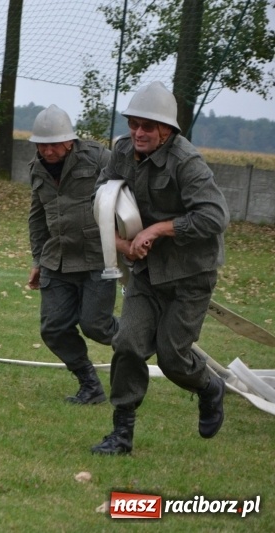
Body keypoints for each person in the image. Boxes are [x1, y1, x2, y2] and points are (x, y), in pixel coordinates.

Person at [91, 82, 230, 455]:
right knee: (128, 344)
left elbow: (216, 217)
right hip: (147, 273)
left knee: (172, 358)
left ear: (167, 131)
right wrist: (122, 245)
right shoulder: (122, 152)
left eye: (148, 127)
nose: (138, 132)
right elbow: (101, 198)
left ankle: (209, 387)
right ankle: (121, 434)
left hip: (191, 275)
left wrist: (157, 228)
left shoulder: (187, 162)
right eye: (134, 124)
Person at [27, 104, 117, 405]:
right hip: (57, 259)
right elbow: (37, 217)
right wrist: (38, 260)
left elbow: (128, 195)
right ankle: (90, 385)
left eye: (53, 144)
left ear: (69, 141)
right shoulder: (36, 167)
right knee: (53, 328)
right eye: (42, 145)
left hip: (98, 256)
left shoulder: (100, 158)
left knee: (97, 326)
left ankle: (136, 341)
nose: (47, 151)